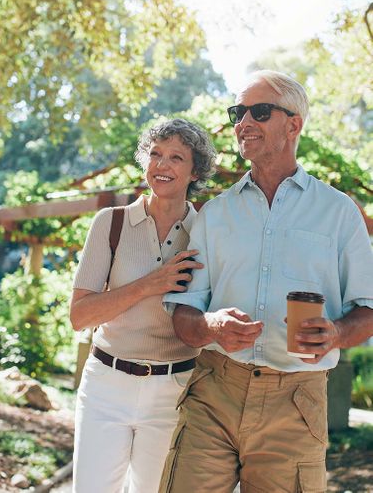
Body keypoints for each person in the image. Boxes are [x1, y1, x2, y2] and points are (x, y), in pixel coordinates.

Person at [159, 70, 373, 493]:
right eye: (238, 112)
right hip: (214, 391)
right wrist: (210, 326)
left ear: (294, 124)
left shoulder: (339, 212)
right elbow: (183, 315)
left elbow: (368, 309)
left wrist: (336, 333)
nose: (243, 123)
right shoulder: (215, 214)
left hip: (296, 403)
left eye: (259, 111)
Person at [70, 118, 216, 493]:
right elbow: (80, 316)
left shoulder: (207, 234)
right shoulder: (111, 223)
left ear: (195, 170)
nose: (161, 166)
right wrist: (151, 285)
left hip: (174, 389)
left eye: (175, 158)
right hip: (106, 384)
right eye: (155, 154)